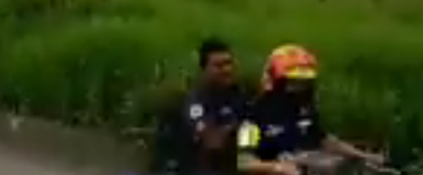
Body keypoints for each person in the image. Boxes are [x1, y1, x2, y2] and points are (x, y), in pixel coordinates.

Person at [236, 44, 386, 175]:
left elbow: (323, 139)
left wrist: (362, 155)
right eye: (293, 83)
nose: (299, 89)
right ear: (276, 82)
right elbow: (242, 161)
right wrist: (275, 168)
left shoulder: (304, 110)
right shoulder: (252, 115)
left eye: (304, 83)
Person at [158, 37, 248, 175]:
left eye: (229, 63)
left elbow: (254, 130)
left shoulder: (238, 94)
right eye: (219, 66)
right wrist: (238, 127)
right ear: (204, 69)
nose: (227, 69)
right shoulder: (196, 102)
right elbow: (213, 142)